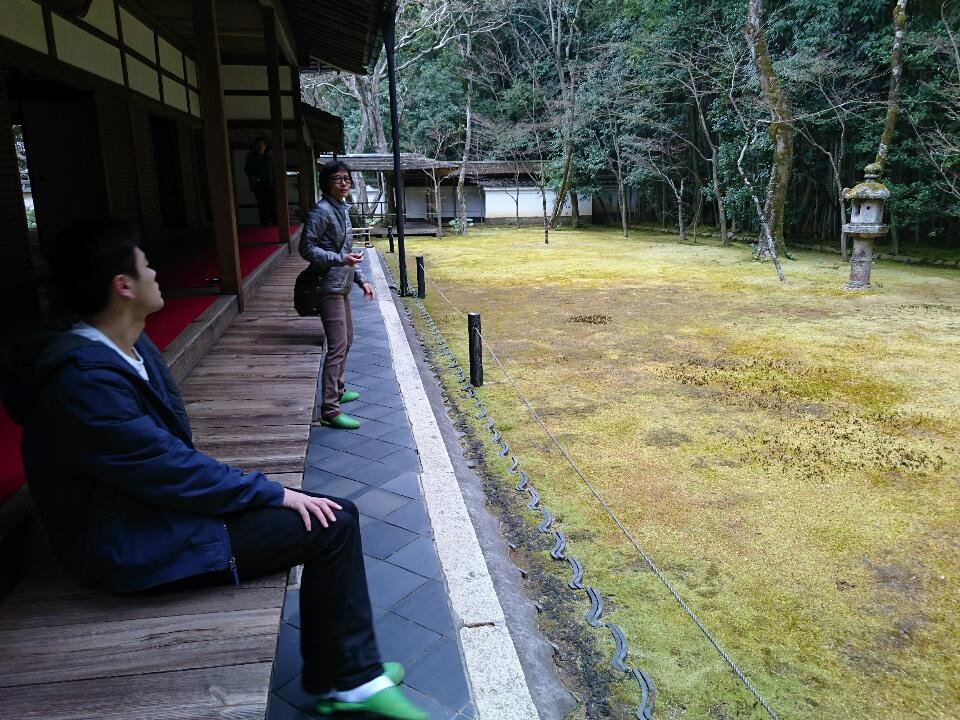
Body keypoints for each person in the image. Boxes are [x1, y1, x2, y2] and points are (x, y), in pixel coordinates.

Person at [0, 220, 426, 720]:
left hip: (150, 511)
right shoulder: (82, 385)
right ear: (123, 286)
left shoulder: (123, 348)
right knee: (331, 523)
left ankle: (345, 672)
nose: (157, 273)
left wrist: (262, 494)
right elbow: (168, 469)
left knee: (328, 514)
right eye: (146, 265)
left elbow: (164, 464)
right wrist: (272, 492)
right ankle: (348, 681)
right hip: (127, 543)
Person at [299, 160, 374, 430]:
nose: (344, 183)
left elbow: (347, 252)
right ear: (325, 183)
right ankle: (329, 410)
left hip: (341, 284)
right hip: (326, 286)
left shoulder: (341, 208)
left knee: (348, 340)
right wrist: (340, 259)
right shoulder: (321, 211)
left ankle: (338, 390)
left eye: (347, 178)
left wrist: (361, 280)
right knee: (337, 346)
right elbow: (306, 249)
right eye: (337, 179)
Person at [244, 137, 276, 226]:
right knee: (261, 204)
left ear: (265, 146)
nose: (260, 147)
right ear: (255, 146)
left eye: (262, 145)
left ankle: (273, 222)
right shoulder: (251, 156)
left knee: (271, 204)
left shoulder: (268, 158)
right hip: (258, 185)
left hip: (269, 185)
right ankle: (264, 223)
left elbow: (273, 171)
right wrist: (252, 177)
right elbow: (247, 169)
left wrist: (273, 183)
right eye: (258, 145)